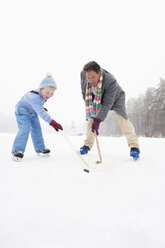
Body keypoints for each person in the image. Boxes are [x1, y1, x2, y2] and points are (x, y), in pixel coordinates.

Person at [80, 61, 140, 160]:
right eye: (88, 78)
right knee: (91, 119)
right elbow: (83, 92)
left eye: (93, 77)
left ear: (99, 73)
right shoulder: (83, 75)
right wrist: (92, 107)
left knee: (123, 119)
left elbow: (108, 103)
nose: (90, 80)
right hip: (95, 99)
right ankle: (87, 145)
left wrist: (98, 120)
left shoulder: (110, 80)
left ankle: (134, 147)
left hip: (116, 98)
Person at [11, 73, 63, 161]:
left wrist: (41, 107)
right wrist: (53, 123)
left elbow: (37, 106)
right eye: (47, 92)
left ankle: (40, 148)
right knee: (25, 128)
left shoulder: (42, 95)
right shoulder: (34, 96)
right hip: (22, 111)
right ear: (41, 89)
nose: (49, 95)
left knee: (37, 129)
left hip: (32, 112)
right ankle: (17, 150)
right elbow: (41, 113)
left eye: (52, 93)